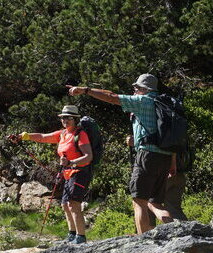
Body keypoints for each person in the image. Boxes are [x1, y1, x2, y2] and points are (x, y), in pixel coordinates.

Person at [67, 74, 175, 234]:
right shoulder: (164, 103)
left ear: (145, 89)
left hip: (147, 155)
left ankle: (143, 243)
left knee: (139, 201)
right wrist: (172, 162)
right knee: (156, 203)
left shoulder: (142, 101)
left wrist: (86, 90)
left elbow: (111, 97)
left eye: (136, 87)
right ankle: (176, 233)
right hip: (165, 156)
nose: (134, 90)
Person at [9, 105, 93, 244]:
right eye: (63, 118)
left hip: (80, 172)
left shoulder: (80, 135)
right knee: (65, 204)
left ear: (75, 119)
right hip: (68, 173)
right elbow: (42, 137)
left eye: (68, 118)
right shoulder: (62, 134)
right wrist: (23, 137)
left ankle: (81, 237)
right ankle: (72, 234)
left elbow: (88, 157)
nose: (65, 120)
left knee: (73, 204)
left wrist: (71, 162)